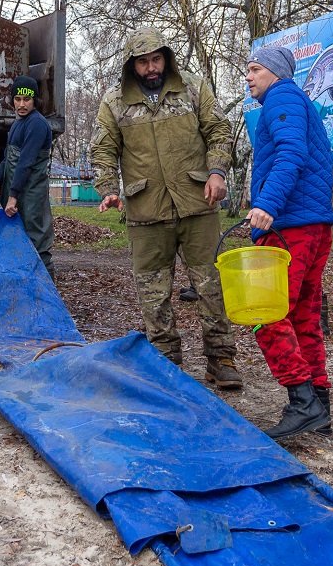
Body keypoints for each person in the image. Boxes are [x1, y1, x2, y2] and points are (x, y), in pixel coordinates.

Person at [90, 28, 243, 390]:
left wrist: (218, 171)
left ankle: (221, 358)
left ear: (166, 58)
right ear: (132, 65)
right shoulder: (115, 101)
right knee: (152, 292)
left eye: (156, 59)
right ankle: (165, 361)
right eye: (143, 62)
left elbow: (219, 130)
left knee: (211, 286)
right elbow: (102, 149)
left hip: (197, 203)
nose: (151, 67)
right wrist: (109, 189)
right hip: (146, 210)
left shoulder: (192, 87)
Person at [244, 46, 333, 439]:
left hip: (289, 225)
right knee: (302, 316)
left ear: (275, 72)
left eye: (254, 69)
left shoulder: (281, 96)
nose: (248, 77)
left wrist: (266, 203)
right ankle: (318, 400)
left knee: (265, 312)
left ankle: (302, 402)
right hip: (313, 224)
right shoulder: (298, 101)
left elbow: (290, 152)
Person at [0, 74, 55, 279]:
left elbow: (25, 162)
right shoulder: (18, 123)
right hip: (16, 190)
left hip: (32, 193)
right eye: (17, 99)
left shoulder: (37, 124)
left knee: (35, 239)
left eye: (26, 100)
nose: (21, 104)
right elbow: (7, 156)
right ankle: (24, 285)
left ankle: (45, 287)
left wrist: (13, 196)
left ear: (34, 101)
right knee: (16, 237)